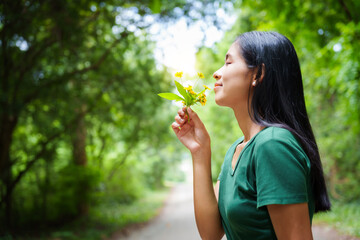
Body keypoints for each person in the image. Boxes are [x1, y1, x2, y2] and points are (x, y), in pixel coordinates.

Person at [171, 31, 331, 240]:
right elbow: (210, 233)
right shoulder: (238, 149)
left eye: (229, 63)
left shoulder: (273, 144)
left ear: (257, 74)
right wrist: (200, 152)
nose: (216, 73)